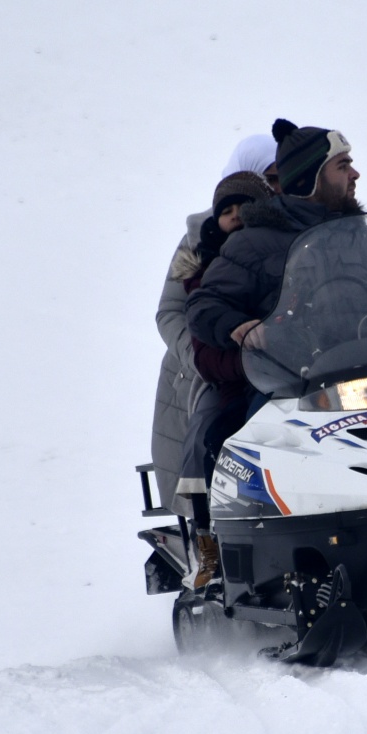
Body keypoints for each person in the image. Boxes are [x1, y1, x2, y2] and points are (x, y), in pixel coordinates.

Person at [186, 119, 367, 361]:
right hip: (294, 385)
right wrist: (239, 326)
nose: (355, 174)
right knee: (229, 412)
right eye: (343, 166)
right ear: (307, 180)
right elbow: (205, 305)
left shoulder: (362, 236)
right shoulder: (252, 242)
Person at [149, 135, 276, 515]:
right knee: (212, 432)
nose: (276, 185)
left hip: (276, 362)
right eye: (267, 176)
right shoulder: (198, 240)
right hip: (207, 370)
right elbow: (171, 312)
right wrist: (205, 359)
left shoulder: (288, 232)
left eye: (280, 175)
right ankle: (207, 536)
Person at [176, 171, 273, 588]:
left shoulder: (282, 251)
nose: (235, 218)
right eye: (227, 212)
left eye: (243, 208)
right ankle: (208, 539)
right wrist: (247, 362)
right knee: (211, 433)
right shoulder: (206, 271)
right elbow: (204, 353)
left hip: (296, 375)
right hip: (238, 382)